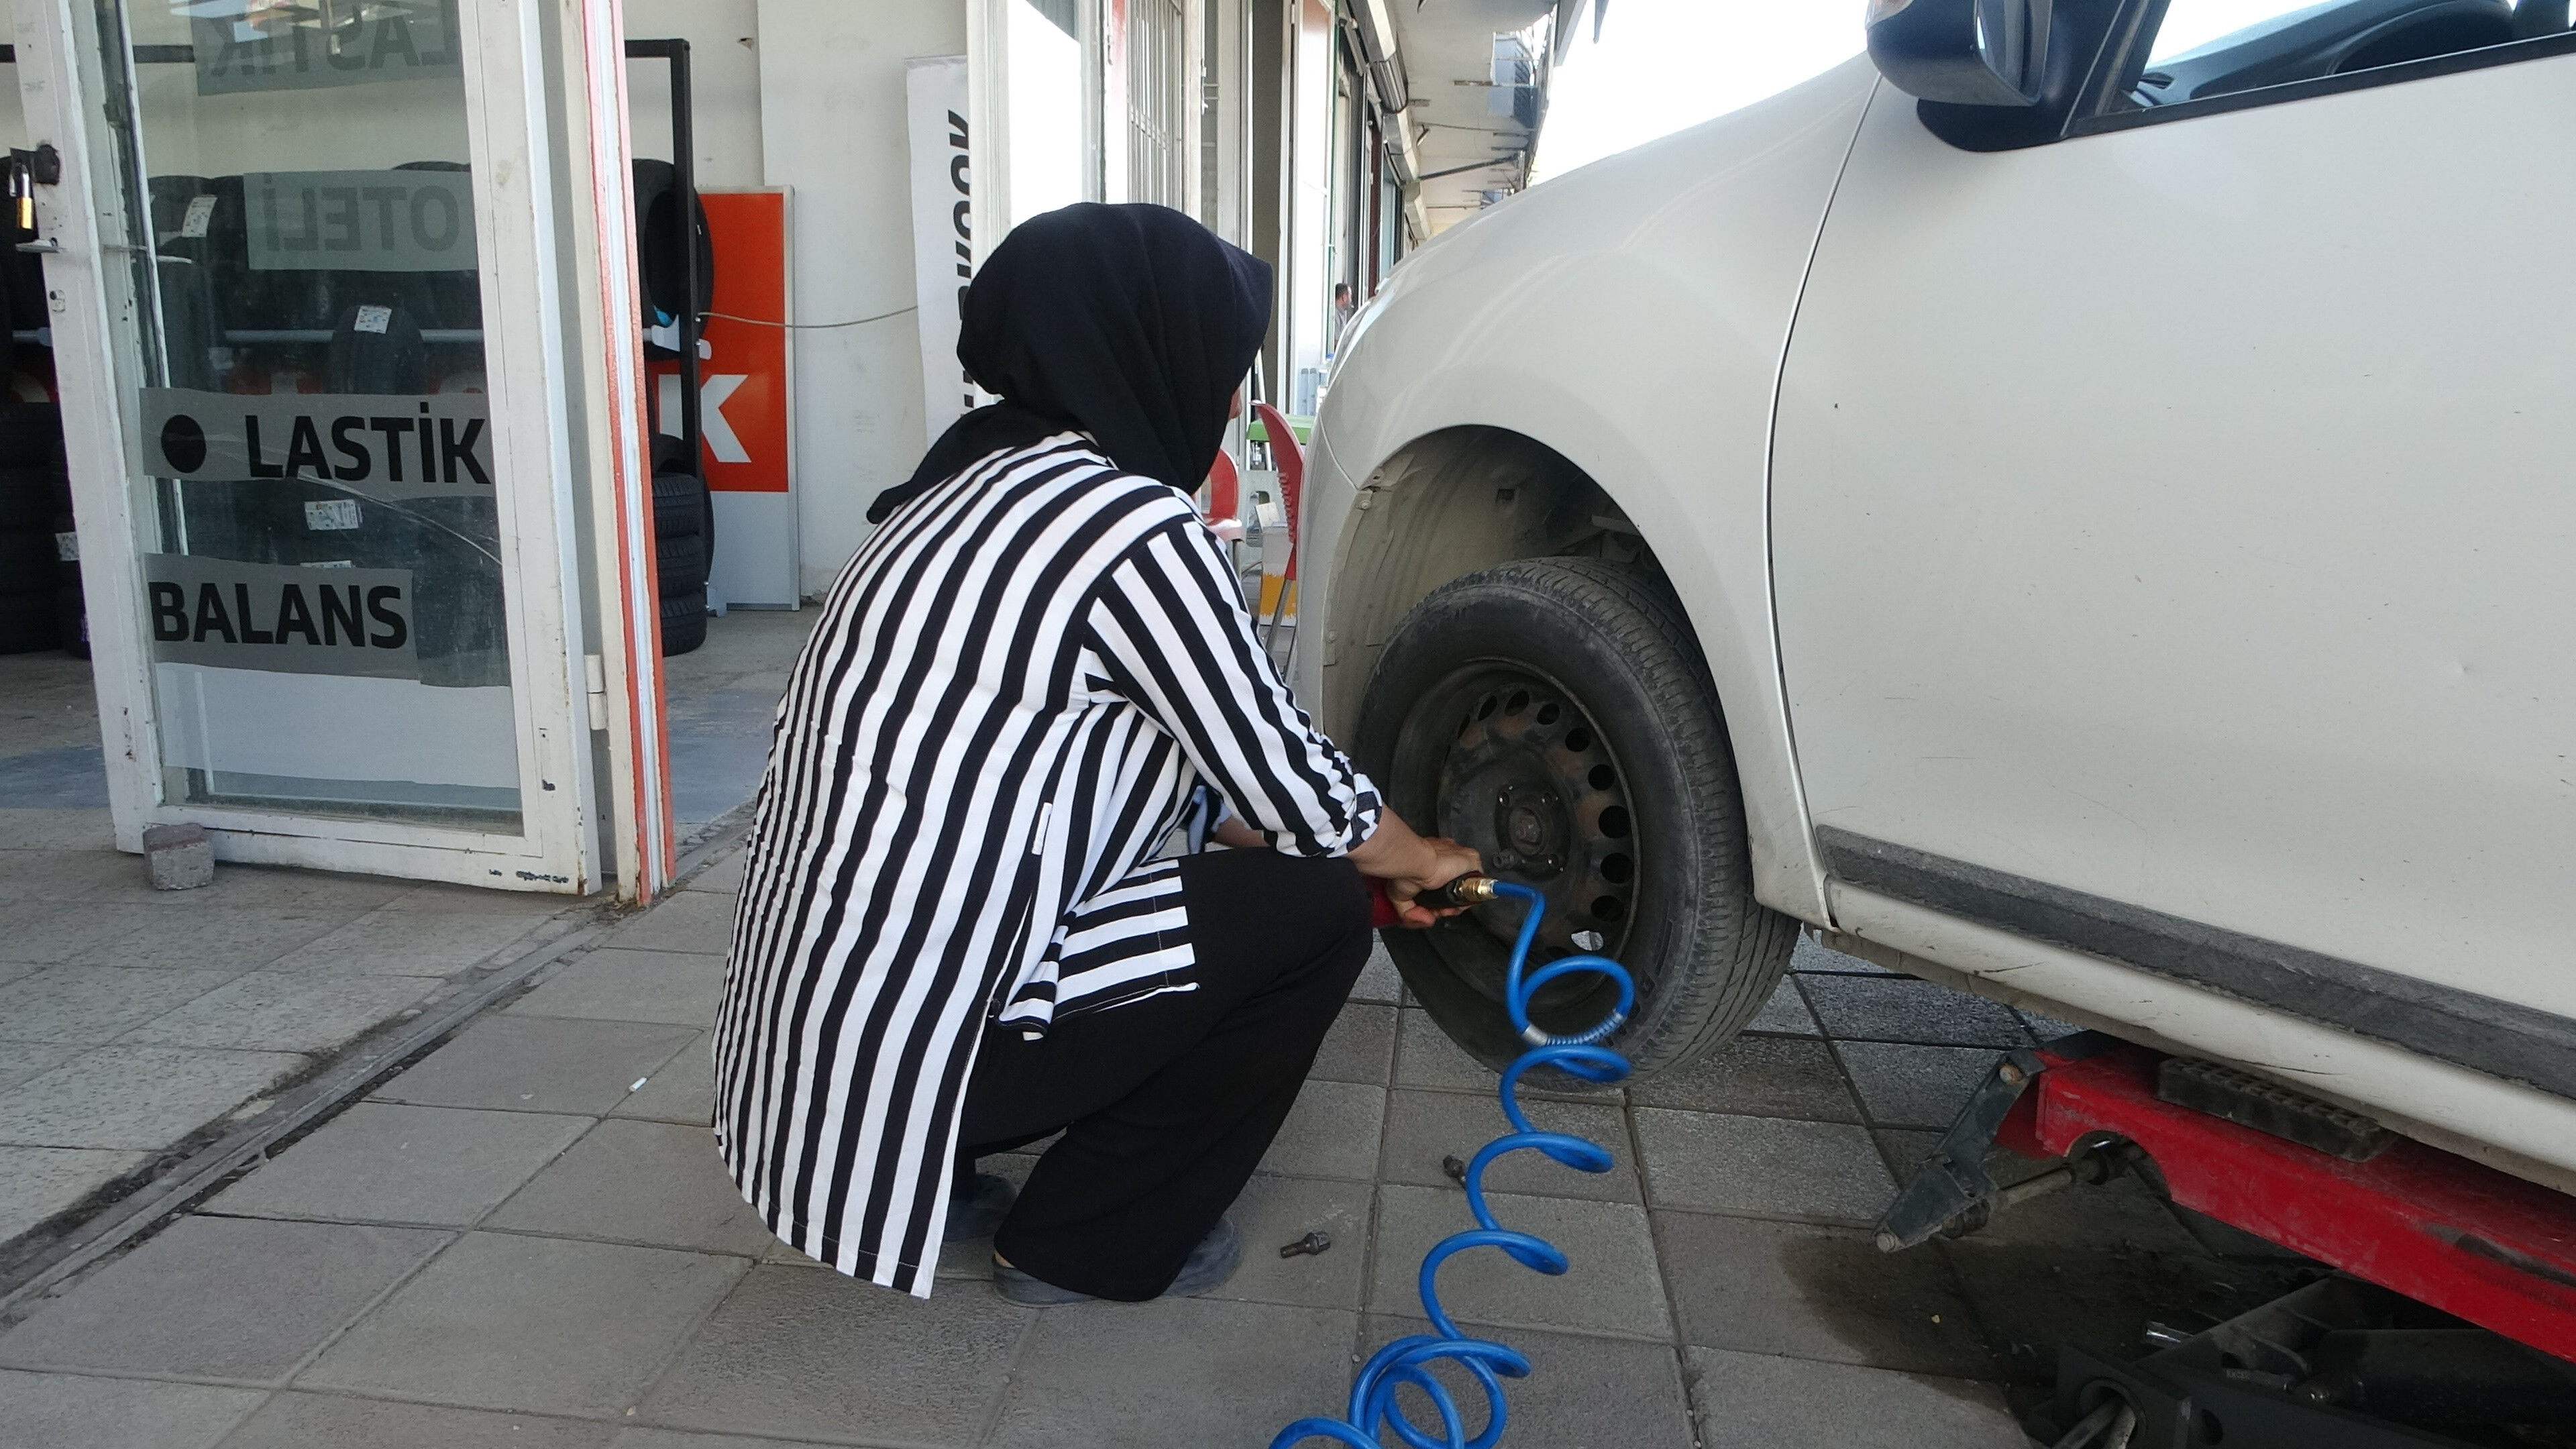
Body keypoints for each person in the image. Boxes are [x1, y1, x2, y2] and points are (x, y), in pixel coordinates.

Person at [712, 203, 1480, 1305]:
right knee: (1314, 912)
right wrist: (1415, 862)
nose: (1228, 401)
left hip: (811, 1046)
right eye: (1221, 365)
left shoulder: (940, 495)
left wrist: (1341, 849)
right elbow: (1291, 781)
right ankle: (1086, 1240)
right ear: (1145, 350)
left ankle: (929, 1162)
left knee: (1272, 878)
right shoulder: (1126, 527)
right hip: (924, 1045)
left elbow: (1108, 766)